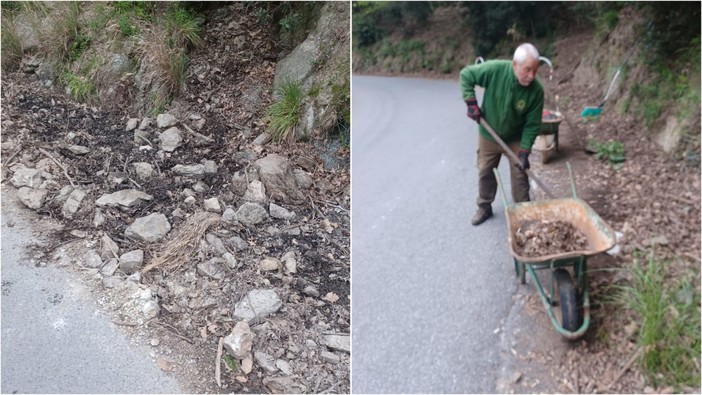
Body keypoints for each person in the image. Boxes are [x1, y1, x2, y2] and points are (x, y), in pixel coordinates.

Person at [459, 43, 544, 226]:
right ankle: (484, 206)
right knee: (485, 171)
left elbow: (532, 125)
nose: (531, 76)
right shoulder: (495, 70)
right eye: (527, 70)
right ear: (515, 65)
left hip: (515, 138)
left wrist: (524, 150)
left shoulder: (536, 91)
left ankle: (524, 211)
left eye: (535, 71)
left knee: (520, 174)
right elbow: (466, 75)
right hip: (488, 134)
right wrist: (471, 102)